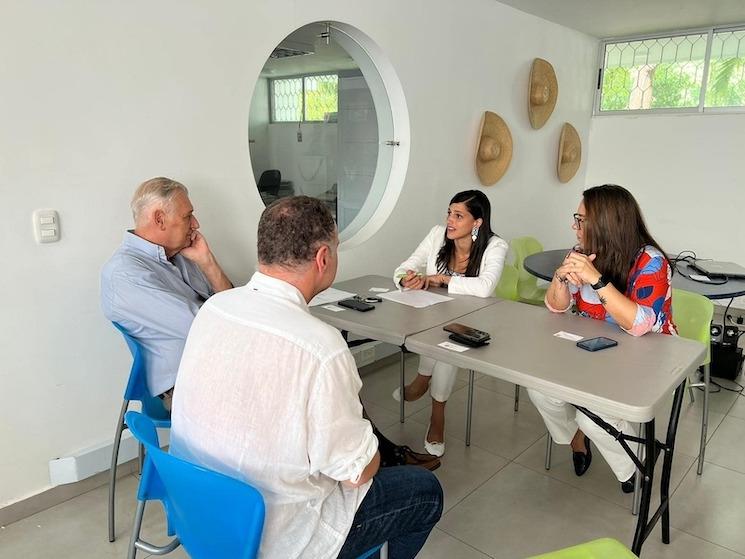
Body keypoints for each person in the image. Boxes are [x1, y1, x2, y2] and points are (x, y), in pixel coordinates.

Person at [170, 196, 443, 559]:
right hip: (278, 537)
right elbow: (357, 473)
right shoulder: (320, 348)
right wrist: (368, 450)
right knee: (424, 491)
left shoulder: (214, 309)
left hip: (201, 513)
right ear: (323, 259)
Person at [527, 184, 677, 493]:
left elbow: (638, 324)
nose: (574, 226)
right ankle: (576, 440)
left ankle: (632, 467)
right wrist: (560, 276)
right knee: (540, 390)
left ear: (606, 224)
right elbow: (557, 306)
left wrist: (596, 278)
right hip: (593, 351)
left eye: (580, 219)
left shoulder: (652, 262)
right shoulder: (581, 253)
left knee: (593, 417)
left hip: (646, 357)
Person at [392, 190, 508, 456]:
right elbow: (403, 267)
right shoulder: (437, 235)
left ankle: (436, 413)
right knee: (436, 334)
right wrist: (406, 279)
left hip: (474, 319)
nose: (450, 221)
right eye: (449, 213)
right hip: (434, 313)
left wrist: (441, 280)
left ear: (477, 222)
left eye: (458, 216)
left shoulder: (496, 245)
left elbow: (485, 287)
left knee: (447, 347)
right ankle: (423, 383)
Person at [100, 177, 232, 406]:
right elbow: (209, 328)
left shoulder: (177, 255)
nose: (196, 224)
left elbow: (229, 309)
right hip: (187, 385)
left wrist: (208, 263)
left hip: (215, 366)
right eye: (187, 216)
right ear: (159, 219)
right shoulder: (126, 274)